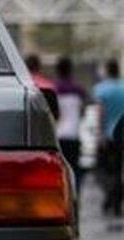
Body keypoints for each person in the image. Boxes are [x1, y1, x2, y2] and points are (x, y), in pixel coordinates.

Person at [94, 58, 124, 218]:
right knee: (118, 170)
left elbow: (101, 112)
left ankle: (109, 199)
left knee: (104, 170)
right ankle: (116, 203)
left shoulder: (101, 89)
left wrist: (100, 134)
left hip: (108, 135)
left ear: (107, 70)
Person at [53, 57, 87, 194]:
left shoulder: (54, 89)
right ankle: (75, 196)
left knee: (61, 170)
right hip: (74, 135)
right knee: (75, 170)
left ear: (57, 70)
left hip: (58, 135)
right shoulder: (79, 90)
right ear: (70, 70)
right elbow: (83, 111)